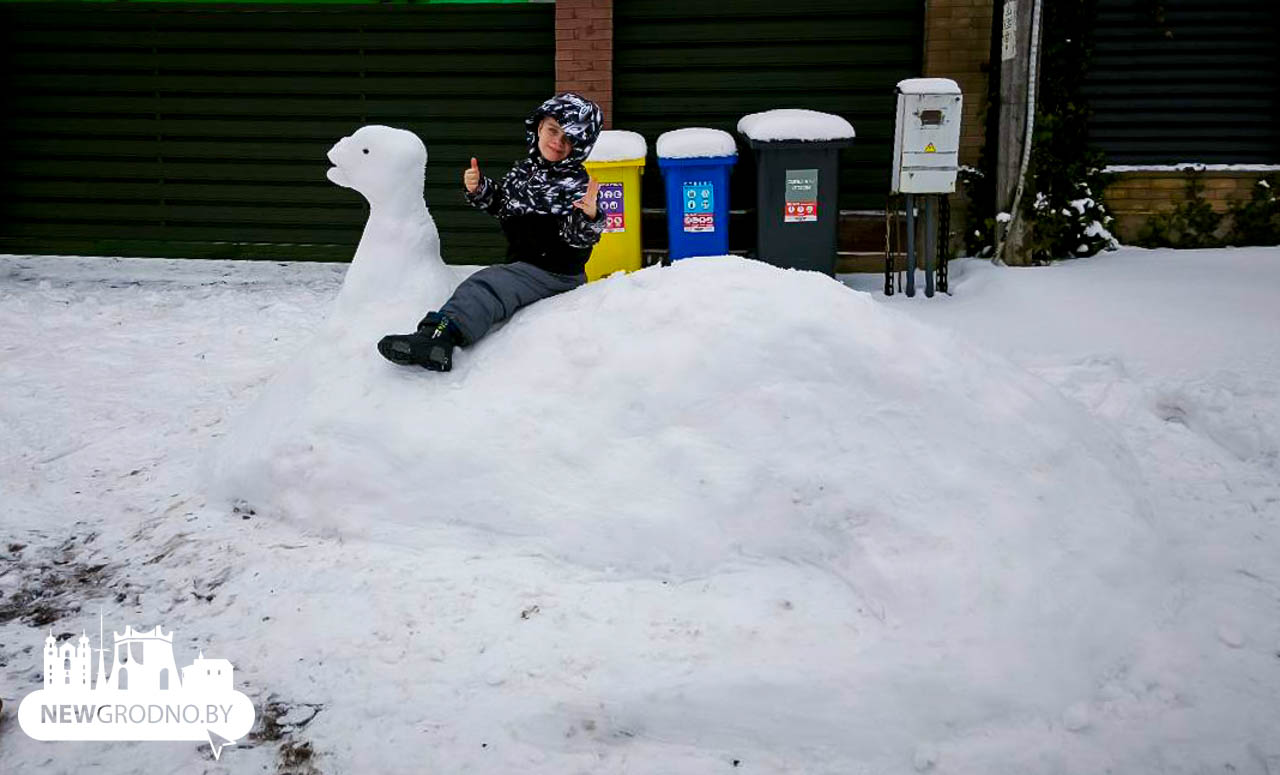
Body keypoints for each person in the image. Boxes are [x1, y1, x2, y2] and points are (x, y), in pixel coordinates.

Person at [377, 92, 606, 372]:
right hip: (526, 265)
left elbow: (579, 238)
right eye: (552, 130)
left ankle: (438, 337)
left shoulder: (576, 185)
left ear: (581, 146)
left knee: (485, 285)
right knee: (494, 283)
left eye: (568, 138)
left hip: (554, 272)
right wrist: (480, 189)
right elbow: (503, 207)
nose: (557, 142)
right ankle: (438, 336)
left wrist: (588, 216)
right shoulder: (524, 172)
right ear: (538, 127)